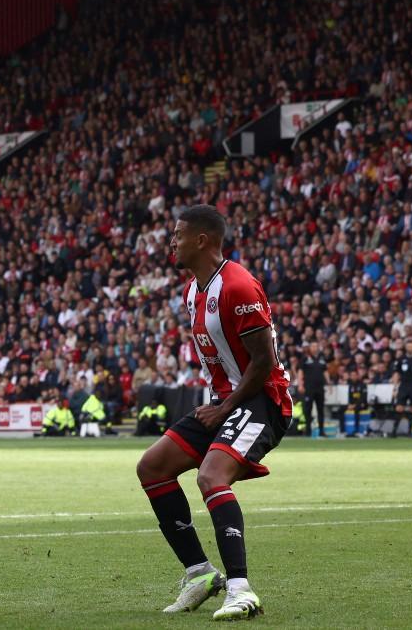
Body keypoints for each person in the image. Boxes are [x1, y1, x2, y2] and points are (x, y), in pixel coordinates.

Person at [135, 205, 291, 621]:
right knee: (152, 467)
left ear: (201, 240)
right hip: (224, 402)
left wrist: (225, 407)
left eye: (178, 234)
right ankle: (200, 574)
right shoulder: (194, 290)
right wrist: (218, 405)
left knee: (211, 476)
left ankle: (241, 590)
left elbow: (263, 361)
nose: (171, 241)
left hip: (262, 402)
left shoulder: (238, 285)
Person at [299, 343, 326, 437]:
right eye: (313, 346)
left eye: (316, 346)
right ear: (310, 348)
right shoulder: (305, 359)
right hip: (309, 388)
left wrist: (329, 383)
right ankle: (308, 431)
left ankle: (322, 431)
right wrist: (300, 385)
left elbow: (325, 371)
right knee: (307, 410)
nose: (315, 347)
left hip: (320, 388)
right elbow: (300, 372)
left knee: (321, 409)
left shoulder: (322, 358)